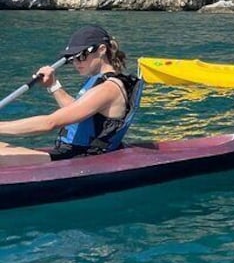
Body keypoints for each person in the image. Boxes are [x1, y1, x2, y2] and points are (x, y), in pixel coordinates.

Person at [0, 25, 143, 166]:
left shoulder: (108, 89)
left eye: (81, 56)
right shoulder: (100, 82)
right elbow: (75, 112)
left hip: (82, 160)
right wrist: (53, 85)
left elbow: (50, 123)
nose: (76, 62)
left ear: (101, 50)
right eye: (72, 58)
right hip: (72, 153)